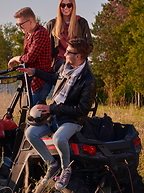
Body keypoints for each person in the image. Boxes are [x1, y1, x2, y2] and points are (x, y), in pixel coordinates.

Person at [18, 38, 96, 190]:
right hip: (56, 115)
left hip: (73, 120)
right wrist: (34, 72)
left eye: (68, 52)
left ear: (78, 56)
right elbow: (55, 79)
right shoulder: (66, 67)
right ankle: (52, 164)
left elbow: (82, 110)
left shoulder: (88, 80)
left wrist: (51, 109)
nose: (65, 54)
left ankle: (66, 169)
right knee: (31, 133)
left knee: (59, 138)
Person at [8, 7, 52, 105]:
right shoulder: (28, 34)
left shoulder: (40, 33)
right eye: (18, 24)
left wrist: (15, 58)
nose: (19, 27)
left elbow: (29, 58)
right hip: (31, 80)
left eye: (21, 24)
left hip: (41, 80)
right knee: (32, 110)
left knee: (35, 112)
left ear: (31, 21)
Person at [46, 0, 93, 71]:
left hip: (78, 60)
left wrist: (81, 57)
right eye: (63, 5)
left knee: (87, 75)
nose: (66, 8)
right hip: (60, 61)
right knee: (66, 68)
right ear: (59, 7)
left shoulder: (81, 22)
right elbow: (47, 48)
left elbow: (89, 45)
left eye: (69, 5)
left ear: (73, 7)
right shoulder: (52, 24)